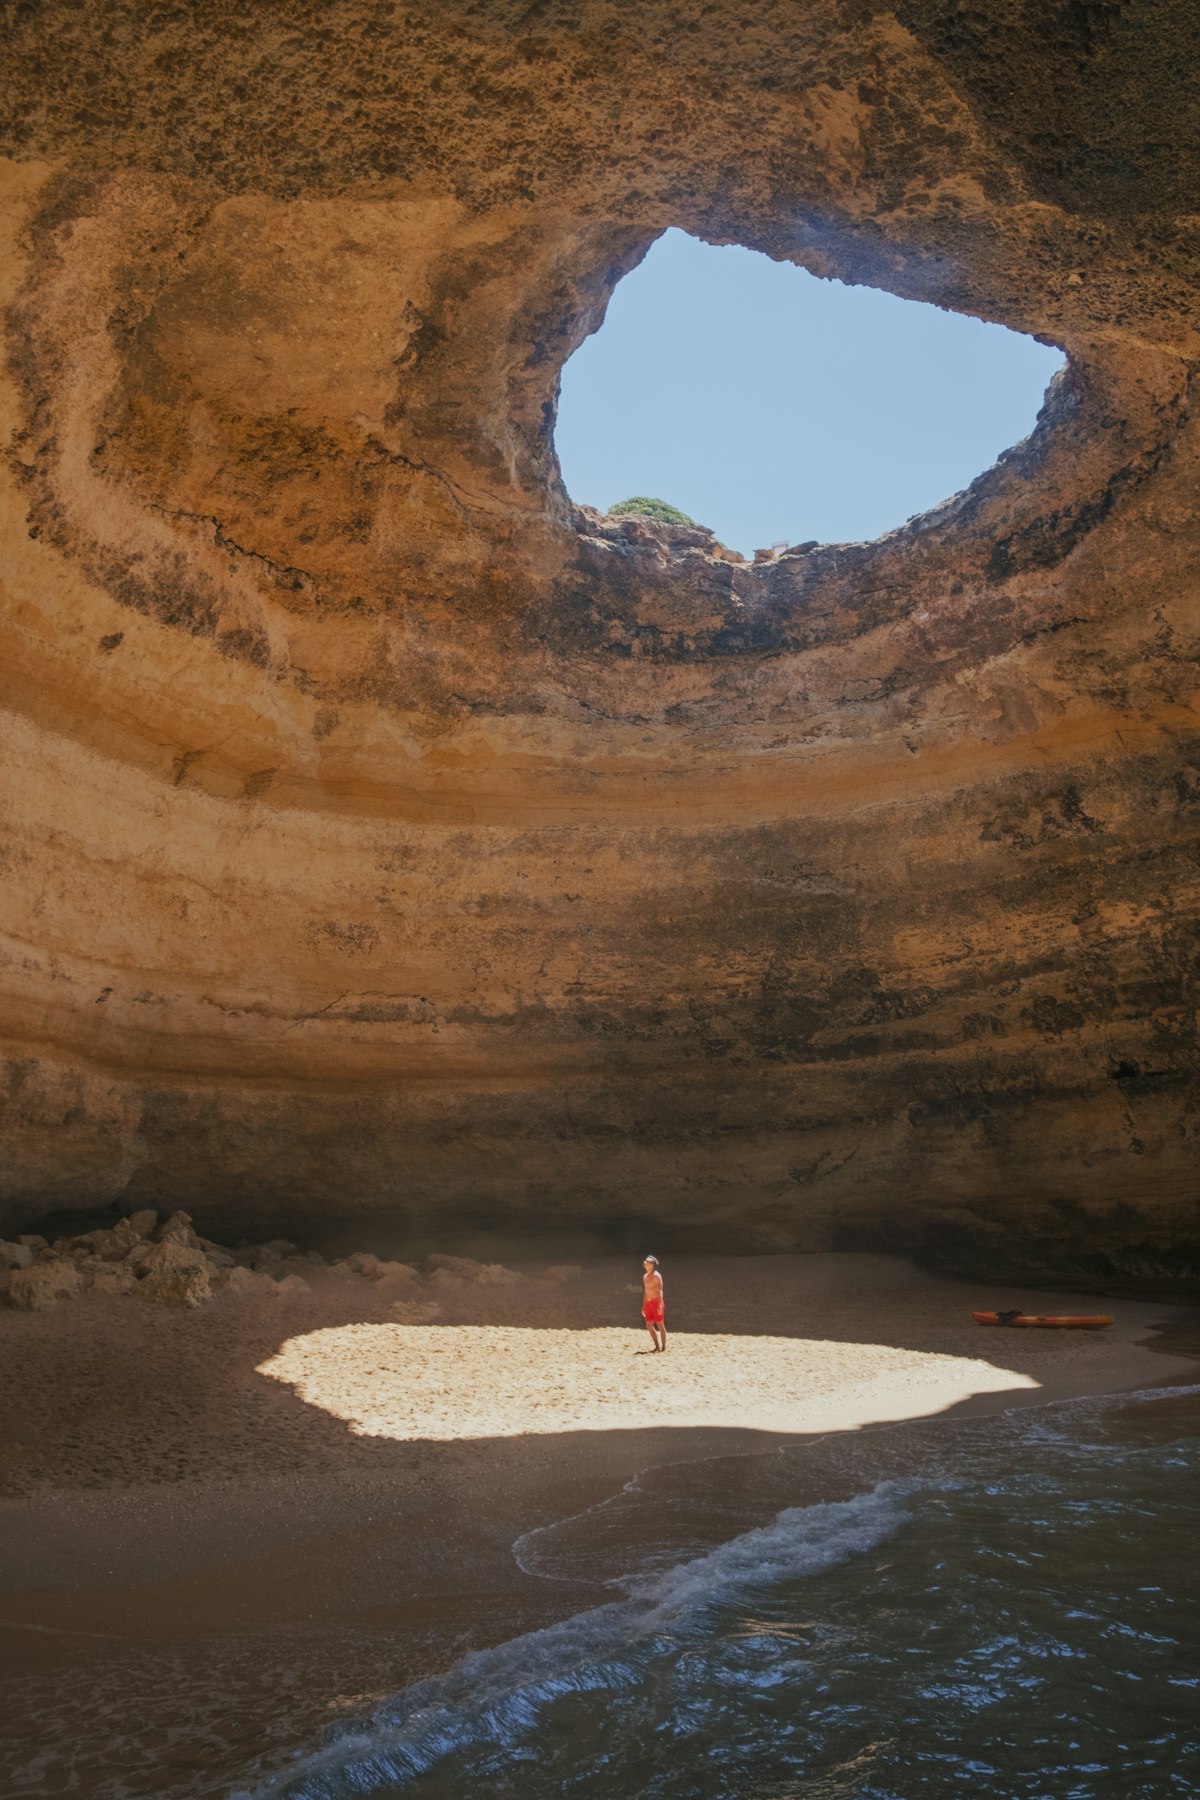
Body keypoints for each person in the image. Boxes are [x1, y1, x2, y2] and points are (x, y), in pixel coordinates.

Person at [641, 1255, 666, 1352]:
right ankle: (657, 1346)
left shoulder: (657, 1276)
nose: (645, 1262)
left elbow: (660, 1290)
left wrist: (660, 1304)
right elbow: (646, 1292)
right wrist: (643, 1305)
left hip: (656, 1302)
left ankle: (663, 1346)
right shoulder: (645, 1276)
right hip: (648, 1302)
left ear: (652, 1265)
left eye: (647, 1261)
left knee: (660, 1324)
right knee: (649, 1325)